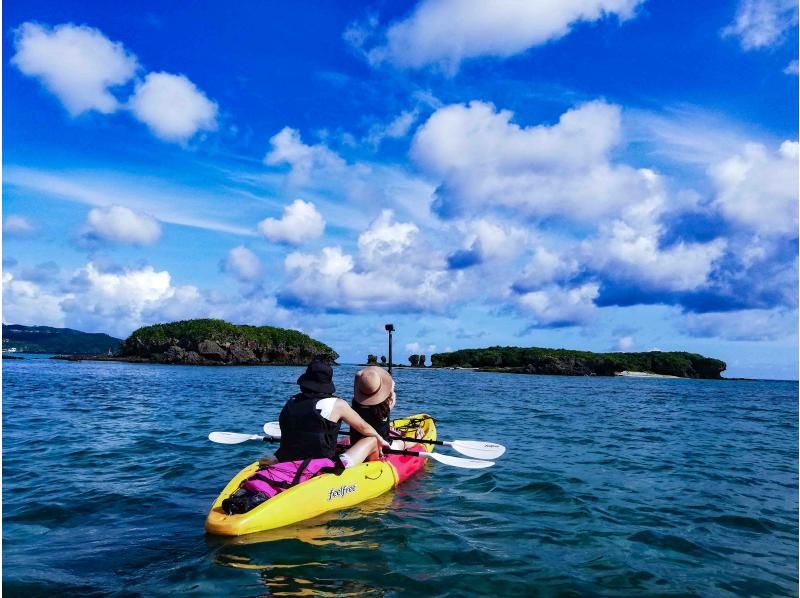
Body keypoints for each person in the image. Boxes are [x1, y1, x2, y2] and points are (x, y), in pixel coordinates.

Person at [275, 359, 390, 468]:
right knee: (372, 439)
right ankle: (362, 467)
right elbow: (365, 428)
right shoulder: (337, 404)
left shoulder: (292, 401)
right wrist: (381, 440)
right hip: (320, 465)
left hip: (286, 458)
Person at [350, 366, 411, 458]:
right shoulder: (384, 408)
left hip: (356, 444)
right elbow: (392, 396)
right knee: (404, 443)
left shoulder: (355, 405)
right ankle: (417, 439)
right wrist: (391, 385)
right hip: (383, 446)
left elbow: (357, 376)